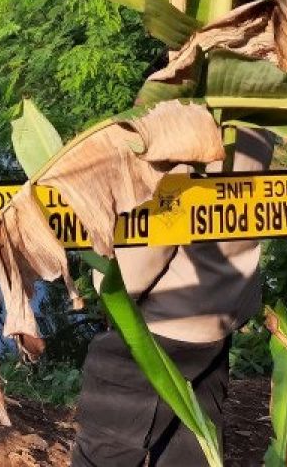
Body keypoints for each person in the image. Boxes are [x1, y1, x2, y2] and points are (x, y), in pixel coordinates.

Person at [70, 127, 274, 466]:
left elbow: (147, 245)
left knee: (107, 445)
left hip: (161, 324)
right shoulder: (255, 116)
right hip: (219, 314)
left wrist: (109, 287)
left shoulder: (185, 117)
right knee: (192, 447)